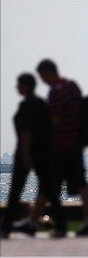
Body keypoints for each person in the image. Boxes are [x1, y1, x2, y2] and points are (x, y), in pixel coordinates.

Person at [30, 59, 88, 236]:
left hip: (60, 146)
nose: (42, 81)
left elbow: (54, 120)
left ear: (47, 73)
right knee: (82, 185)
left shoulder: (57, 92)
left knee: (49, 186)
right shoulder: (72, 87)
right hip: (75, 145)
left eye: (42, 76)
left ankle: (38, 223)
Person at [0, 73, 67, 238]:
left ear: (26, 87)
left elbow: (25, 133)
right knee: (49, 190)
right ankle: (61, 225)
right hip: (43, 153)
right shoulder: (41, 104)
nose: (17, 88)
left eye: (19, 85)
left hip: (27, 153)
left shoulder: (26, 106)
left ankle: (6, 227)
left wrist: (26, 156)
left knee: (15, 191)